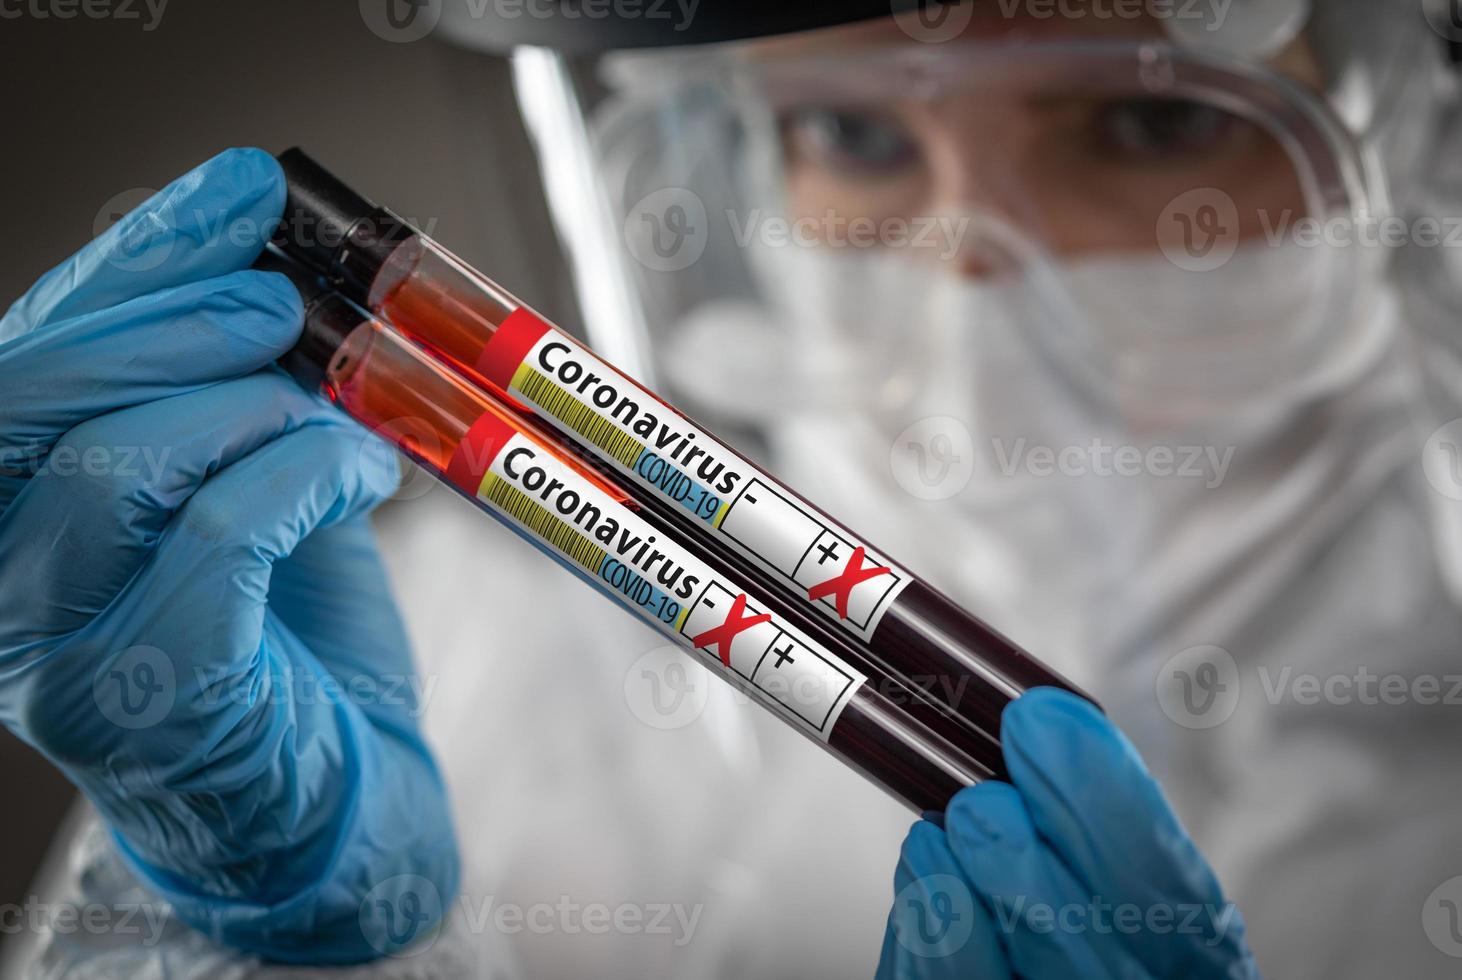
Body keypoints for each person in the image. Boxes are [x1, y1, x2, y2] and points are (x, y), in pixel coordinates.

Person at [1, 0, 1460, 976]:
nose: (963, 273)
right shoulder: (439, 654)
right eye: (854, 134)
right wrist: (256, 918)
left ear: (1414, 132)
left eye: (1151, 127)